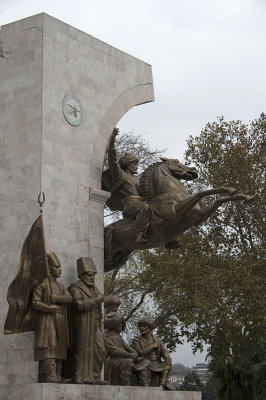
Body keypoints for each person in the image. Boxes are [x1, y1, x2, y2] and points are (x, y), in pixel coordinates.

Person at [32, 252, 72, 383]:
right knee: (50, 347)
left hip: (60, 321)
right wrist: (50, 308)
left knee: (60, 348)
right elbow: (35, 302)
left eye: (60, 267)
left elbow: (69, 298)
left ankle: (59, 376)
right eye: (57, 267)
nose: (60, 269)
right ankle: (51, 377)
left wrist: (58, 299)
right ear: (49, 268)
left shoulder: (60, 286)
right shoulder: (42, 284)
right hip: (47, 320)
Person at [107, 128, 151, 243]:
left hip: (140, 202)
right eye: (134, 163)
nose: (137, 166)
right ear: (128, 164)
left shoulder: (137, 179)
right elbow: (112, 162)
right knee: (145, 208)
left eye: (137, 163)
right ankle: (139, 235)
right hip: (130, 205)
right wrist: (111, 141)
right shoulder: (121, 176)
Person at [68, 257, 105, 384]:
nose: (92, 277)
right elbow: (79, 305)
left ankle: (96, 376)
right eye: (89, 275)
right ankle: (83, 377)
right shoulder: (75, 288)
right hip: (83, 323)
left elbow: (100, 310)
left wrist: (101, 324)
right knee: (84, 349)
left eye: (93, 274)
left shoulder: (95, 289)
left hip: (95, 323)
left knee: (100, 349)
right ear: (81, 275)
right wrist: (97, 299)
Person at [132, 316, 172, 388]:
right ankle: (145, 387)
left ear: (150, 327)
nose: (142, 328)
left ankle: (162, 385)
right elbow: (139, 353)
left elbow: (164, 351)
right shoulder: (136, 340)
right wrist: (152, 346)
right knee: (145, 364)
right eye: (140, 326)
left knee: (168, 362)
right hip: (143, 362)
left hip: (157, 362)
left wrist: (167, 356)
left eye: (144, 326)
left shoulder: (158, 339)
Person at [104, 312, 139, 385]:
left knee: (144, 362)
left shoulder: (118, 335)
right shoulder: (106, 335)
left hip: (121, 358)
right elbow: (115, 350)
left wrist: (133, 352)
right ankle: (125, 386)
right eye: (119, 323)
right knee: (128, 362)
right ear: (113, 324)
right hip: (112, 360)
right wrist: (130, 355)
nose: (121, 325)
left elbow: (126, 346)